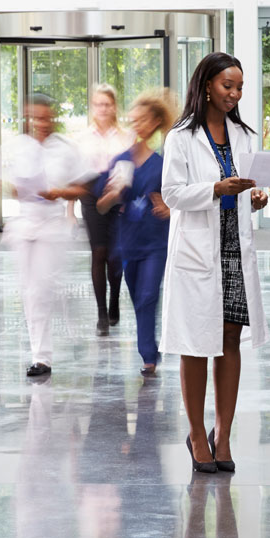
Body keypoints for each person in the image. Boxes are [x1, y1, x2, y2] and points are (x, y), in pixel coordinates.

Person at [160, 52, 269, 474]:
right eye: (228, 86)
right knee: (194, 344)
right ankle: (195, 433)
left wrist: (251, 198)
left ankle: (222, 435)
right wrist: (216, 189)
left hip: (233, 251)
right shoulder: (181, 137)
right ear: (207, 85)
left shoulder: (243, 134)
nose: (235, 94)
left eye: (239, 87)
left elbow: (243, 190)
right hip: (197, 253)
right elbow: (172, 194)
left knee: (229, 338)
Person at [0, 94, 92, 376]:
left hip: (51, 224)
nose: (42, 123)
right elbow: (3, 183)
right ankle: (41, 357)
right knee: (30, 290)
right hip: (24, 223)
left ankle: (64, 324)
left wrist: (58, 192)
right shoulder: (15, 147)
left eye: (46, 117)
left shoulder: (65, 148)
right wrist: (15, 188)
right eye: (36, 117)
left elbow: (82, 187)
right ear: (27, 118)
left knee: (44, 286)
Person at [96, 89, 175, 375]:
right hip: (129, 243)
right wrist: (113, 195)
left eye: (143, 120)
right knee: (137, 297)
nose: (137, 125)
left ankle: (148, 355)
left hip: (156, 241)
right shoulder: (121, 161)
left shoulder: (164, 164)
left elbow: (178, 201)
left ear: (155, 122)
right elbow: (102, 205)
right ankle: (149, 349)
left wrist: (169, 208)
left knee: (147, 295)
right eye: (134, 120)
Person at [75, 84, 135, 336]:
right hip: (90, 197)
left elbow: (131, 168)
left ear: (114, 107)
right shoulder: (82, 138)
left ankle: (114, 302)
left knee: (114, 256)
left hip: (118, 197)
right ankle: (101, 312)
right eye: (98, 104)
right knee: (98, 253)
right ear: (92, 107)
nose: (102, 108)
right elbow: (75, 176)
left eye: (107, 104)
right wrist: (69, 210)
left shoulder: (126, 136)